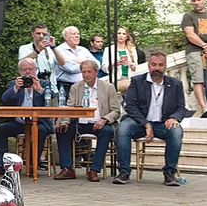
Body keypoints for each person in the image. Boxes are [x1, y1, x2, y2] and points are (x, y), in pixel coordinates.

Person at [113, 50, 186, 186]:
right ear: (148, 65)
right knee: (122, 128)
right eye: (153, 64)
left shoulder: (175, 84)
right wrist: (146, 124)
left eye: (160, 65)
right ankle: (124, 172)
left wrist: (174, 118)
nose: (157, 68)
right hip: (139, 122)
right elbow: (130, 105)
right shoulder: (137, 81)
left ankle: (169, 173)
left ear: (165, 66)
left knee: (176, 131)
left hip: (163, 123)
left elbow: (181, 108)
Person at [54, 60, 120, 182]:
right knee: (62, 130)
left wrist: (104, 120)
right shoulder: (76, 87)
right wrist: (65, 122)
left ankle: (94, 169)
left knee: (106, 132)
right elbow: (70, 107)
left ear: (96, 72)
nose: (86, 75)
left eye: (89, 72)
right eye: (83, 72)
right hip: (80, 123)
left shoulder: (108, 87)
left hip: (99, 122)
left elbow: (116, 111)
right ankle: (67, 169)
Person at [0, 58, 54, 176]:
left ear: (36, 70)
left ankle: (32, 166)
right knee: (0, 129)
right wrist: (15, 88)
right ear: (20, 72)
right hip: (19, 123)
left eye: (30, 69)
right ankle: (0, 165)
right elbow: (5, 99)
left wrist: (40, 90)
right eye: (24, 69)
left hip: (39, 122)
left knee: (40, 131)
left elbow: (51, 98)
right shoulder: (14, 83)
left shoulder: (44, 84)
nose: (27, 72)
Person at [180, 0, 207, 116]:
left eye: (198, 0)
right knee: (198, 80)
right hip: (195, 51)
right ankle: (205, 108)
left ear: (204, 0)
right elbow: (190, 34)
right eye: (194, 0)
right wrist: (204, 46)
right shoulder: (188, 15)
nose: (196, 3)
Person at [55, 26, 98, 99]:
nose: (77, 36)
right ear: (65, 37)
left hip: (85, 86)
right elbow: (71, 68)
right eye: (73, 34)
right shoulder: (59, 50)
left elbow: (97, 65)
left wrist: (81, 61)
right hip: (66, 87)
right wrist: (87, 64)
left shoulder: (83, 50)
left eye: (78, 34)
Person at [18, 23, 65, 88]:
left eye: (44, 34)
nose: (41, 36)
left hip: (51, 88)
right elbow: (22, 63)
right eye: (38, 33)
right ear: (32, 34)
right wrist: (38, 50)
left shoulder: (50, 49)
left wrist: (53, 47)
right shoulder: (24, 48)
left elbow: (62, 62)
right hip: (32, 87)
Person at [102, 26, 137, 93]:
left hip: (129, 79)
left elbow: (135, 67)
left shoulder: (132, 50)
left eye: (123, 34)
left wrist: (131, 64)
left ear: (126, 37)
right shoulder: (109, 49)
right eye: (119, 33)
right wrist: (116, 63)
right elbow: (104, 68)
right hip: (116, 79)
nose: (121, 36)